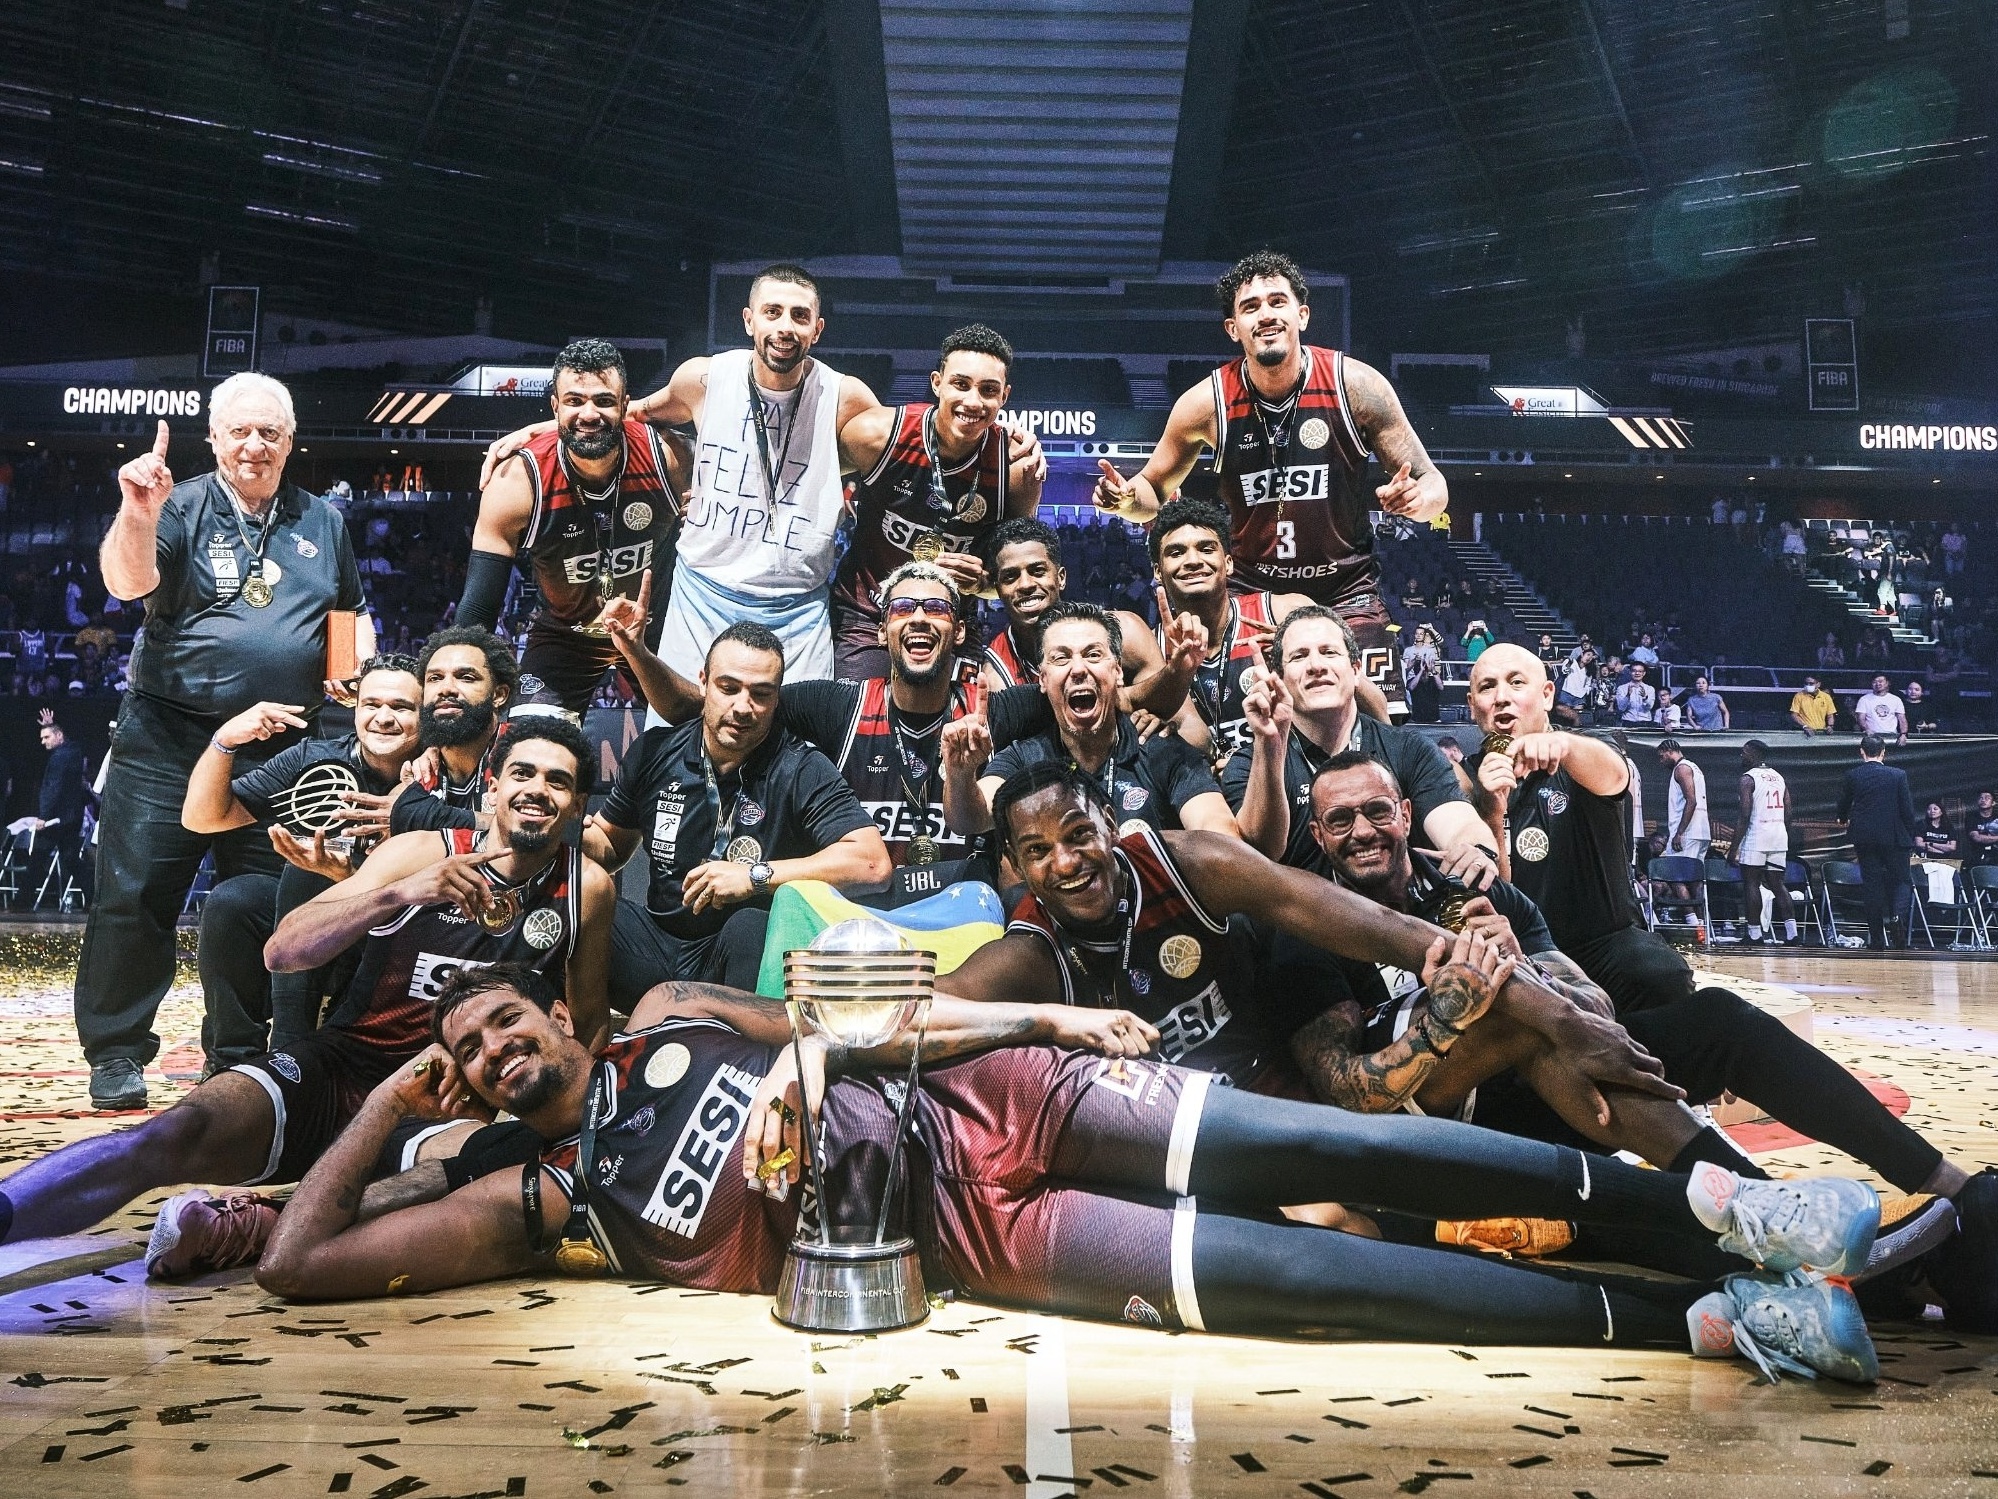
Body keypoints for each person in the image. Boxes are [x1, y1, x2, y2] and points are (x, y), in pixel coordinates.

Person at [253, 960, 1885, 1385]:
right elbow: (295, 1270)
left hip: (1003, 1086)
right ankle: (1706, 1326)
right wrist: (383, 1104)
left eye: (495, 1022)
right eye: (460, 1056)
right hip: (985, 1233)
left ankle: (1717, 1208)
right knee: (1320, 1285)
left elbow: (861, 1013)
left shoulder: (674, 1016)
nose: (491, 1051)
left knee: (1343, 1143)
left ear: (551, 1007)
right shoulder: (552, 1209)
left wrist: (1025, 1008)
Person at [0, 720, 610, 1276]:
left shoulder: (587, 888)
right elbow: (283, 951)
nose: (538, 789)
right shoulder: (421, 853)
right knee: (172, 1134)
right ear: (493, 788)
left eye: (559, 781)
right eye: (523, 773)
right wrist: (398, 894)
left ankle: (255, 1221)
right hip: (340, 1071)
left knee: (454, 1185)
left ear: (578, 804)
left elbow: (581, 1031)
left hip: (448, 1107)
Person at [1298, 752, 1976, 1220]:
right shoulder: (1308, 929)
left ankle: (1938, 1180)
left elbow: (1595, 1009)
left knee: (1714, 1017)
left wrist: (1522, 966)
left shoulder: (1477, 893)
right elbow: (1347, 1091)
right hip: (1441, 1136)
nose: (1363, 831)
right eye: (1341, 819)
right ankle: (1777, 1209)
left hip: (1552, 1093)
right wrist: (1457, 1010)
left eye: (1378, 811)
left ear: (1408, 813)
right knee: (1524, 1034)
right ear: (1318, 836)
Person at [953, 762, 1671, 1112]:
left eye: (1079, 835)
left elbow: (1367, 922)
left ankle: (1719, 1193)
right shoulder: (1027, 955)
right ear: (1014, 866)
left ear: (1112, 827)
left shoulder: (1191, 862)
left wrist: (1567, 1020)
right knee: (1341, 1216)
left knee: (1573, 1037)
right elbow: (907, 1008)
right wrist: (1049, 1018)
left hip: (1275, 1101)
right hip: (1172, 1139)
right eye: (1039, 851)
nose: (1067, 862)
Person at [79, 376, 373, 1110]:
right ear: (213, 439)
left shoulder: (323, 519)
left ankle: (242, 1054)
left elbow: (349, 615)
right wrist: (136, 511)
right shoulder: (176, 504)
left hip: (284, 743)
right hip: (170, 733)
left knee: (263, 897)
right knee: (136, 894)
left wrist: (354, 681)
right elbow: (125, 581)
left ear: (290, 441)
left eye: (270, 433)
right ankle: (117, 1051)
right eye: (240, 431)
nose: (255, 446)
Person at [1094, 252, 1446, 717]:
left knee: (1380, 731)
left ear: (1301, 314)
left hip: (1345, 591)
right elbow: (1152, 492)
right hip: (1251, 594)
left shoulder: (1356, 385)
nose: (1265, 314)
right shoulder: (1205, 403)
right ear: (1233, 328)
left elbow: (1432, 482)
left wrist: (1419, 501)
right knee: (1247, 725)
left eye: (1277, 301)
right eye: (1250, 306)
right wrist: (1124, 499)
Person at [608, 562, 1020, 890]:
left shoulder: (995, 712)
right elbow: (701, 709)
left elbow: (1073, 696)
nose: (917, 618)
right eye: (901, 608)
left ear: (960, 630)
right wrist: (637, 653)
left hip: (962, 901)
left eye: (935, 609)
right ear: (881, 632)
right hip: (858, 913)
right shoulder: (838, 705)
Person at [586, 622, 892, 1002]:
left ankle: (737, 1052)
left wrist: (754, 876)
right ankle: (586, 1048)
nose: (742, 707)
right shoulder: (654, 750)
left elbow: (872, 864)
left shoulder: (801, 767)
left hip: (738, 961)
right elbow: (610, 847)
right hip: (654, 945)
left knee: (751, 925)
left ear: (777, 699)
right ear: (703, 682)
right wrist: (564, 832)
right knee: (578, 896)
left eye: (760, 694)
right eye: (728, 688)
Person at [183, 655, 424, 1069]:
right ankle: (232, 1062)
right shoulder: (313, 758)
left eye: (401, 707)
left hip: (408, 925)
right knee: (233, 902)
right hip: (318, 921)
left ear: (426, 714)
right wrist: (226, 740)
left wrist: (348, 878)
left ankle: (290, 1052)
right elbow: (202, 817)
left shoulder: (439, 769)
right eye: (372, 705)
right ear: (355, 708)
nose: (383, 718)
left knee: (306, 875)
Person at [456, 340, 685, 716]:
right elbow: (479, 607)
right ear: (555, 407)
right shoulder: (518, 480)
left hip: (655, 629)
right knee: (531, 740)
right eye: (575, 401)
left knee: (697, 738)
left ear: (625, 406)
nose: (589, 414)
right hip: (566, 637)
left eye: (604, 401)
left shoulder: (669, 459)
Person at [1465, 645, 1692, 1012]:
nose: (1502, 698)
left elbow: (1615, 774)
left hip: (1601, 944)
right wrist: (1491, 813)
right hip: (1519, 952)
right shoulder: (1461, 781)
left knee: (1657, 972)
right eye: (1488, 687)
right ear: (1473, 703)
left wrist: (1562, 744)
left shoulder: (1582, 754)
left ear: (1547, 695)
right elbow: (1494, 892)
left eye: (1516, 683)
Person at [1225, 606, 1496, 884]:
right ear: (1278, 679)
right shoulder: (1249, 765)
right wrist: (1270, 746)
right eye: (1299, 656)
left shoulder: (1409, 750)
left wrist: (1473, 849)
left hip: (1396, 921)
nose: (1316, 666)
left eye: (1329, 652)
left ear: (1356, 672)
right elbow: (1262, 851)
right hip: (1297, 925)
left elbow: (1460, 824)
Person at [829, 324, 1042, 678]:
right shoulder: (879, 436)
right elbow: (802, 475)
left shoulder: (1017, 469)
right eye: (961, 384)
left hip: (951, 620)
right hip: (869, 614)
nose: (973, 402)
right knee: (866, 718)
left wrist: (981, 583)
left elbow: (1010, 577)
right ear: (936, 383)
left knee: (963, 728)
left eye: (988, 390)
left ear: (1004, 396)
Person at [955, 603, 1236, 839]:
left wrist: (1148, 852)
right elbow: (971, 819)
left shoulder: (1163, 751)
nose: (1078, 669)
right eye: (1061, 658)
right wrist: (962, 773)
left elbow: (1220, 834)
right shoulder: (1022, 758)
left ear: (1117, 673)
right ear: (1042, 679)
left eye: (1092, 655)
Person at [1146, 497, 1315, 764]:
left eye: (1206, 549)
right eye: (1176, 553)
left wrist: (1303, 657)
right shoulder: (1149, 649)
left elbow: (1358, 709)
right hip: (1203, 795)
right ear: (1157, 571)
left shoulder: (1285, 613)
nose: (1193, 561)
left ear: (1229, 563)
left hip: (1287, 785)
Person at [976, 517, 1185, 715]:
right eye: (1010, 577)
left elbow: (1191, 729)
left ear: (1061, 578)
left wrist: (1162, 726)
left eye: (1037, 571)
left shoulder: (1125, 632)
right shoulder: (996, 673)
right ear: (998, 589)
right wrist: (1125, 700)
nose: (1025, 585)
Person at [387, 627, 518, 835]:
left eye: (465, 677)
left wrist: (423, 817)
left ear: (499, 695)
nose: (446, 688)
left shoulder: (523, 753)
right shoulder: (419, 769)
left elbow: (531, 831)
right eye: (435, 678)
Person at [1839, 735, 1916, 950]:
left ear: (1861, 752)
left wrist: (1842, 818)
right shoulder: (1898, 775)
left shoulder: (1853, 774)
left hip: (1865, 837)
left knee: (1872, 886)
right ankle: (1896, 918)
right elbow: (1907, 810)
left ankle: (1876, 939)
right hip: (1893, 837)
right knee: (1901, 880)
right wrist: (1909, 836)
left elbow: (1843, 804)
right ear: (1883, 752)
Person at [1736, 740, 1798, 946]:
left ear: (1754, 754)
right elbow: (1788, 813)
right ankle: (1792, 934)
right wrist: (1782, 834)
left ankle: (1754, 934)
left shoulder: (1748, 778)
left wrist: (1733, 848)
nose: (1742, 756)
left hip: (1757, 834)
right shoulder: (1779, 777)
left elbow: (1744, 815)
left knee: (1752, 883)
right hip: (1779, 835)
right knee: (1778, 884)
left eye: (1744, 752)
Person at [1657, 739, 1710, 862]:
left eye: (1662, 757)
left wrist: (1679, 833)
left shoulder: (1682, 769)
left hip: (1687, 833)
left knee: (1676, 876)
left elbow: (1692, 800)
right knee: (1695, 878)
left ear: (1669, 752)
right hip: (1700, 832)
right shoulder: (1694, 767)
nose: (1661, 761)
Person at [1854, 674, 1907, 746]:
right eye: (1874, 682)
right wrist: (1867, 729)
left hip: (1892, 737)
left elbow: (1902, 719)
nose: (1877, 684)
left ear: (1887, 683)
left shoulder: (1896, 699)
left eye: (1880, 681)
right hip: (1871, 738)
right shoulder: (1864, 699)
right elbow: (1861, 718)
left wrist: (1903, 734)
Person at [1614, 662, 1657, 727]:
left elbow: (1649, 708)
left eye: (1640, 671)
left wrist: (1645, 698)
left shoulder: (1650, 689)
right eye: (1634, 671)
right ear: (1630, 672)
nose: (1637, 673)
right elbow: (1621, 708)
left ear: (1644, 673)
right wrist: (1628, 696)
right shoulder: (1621, 688)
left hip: (1645, 722)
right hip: (1628, 722)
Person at [1965, 790, 1998, 869]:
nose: (1983, 800)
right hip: (1977, 856)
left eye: (1987, 798)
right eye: (1981, 798)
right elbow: (1977, 838)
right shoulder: (1971, 818)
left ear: (1993, 803)